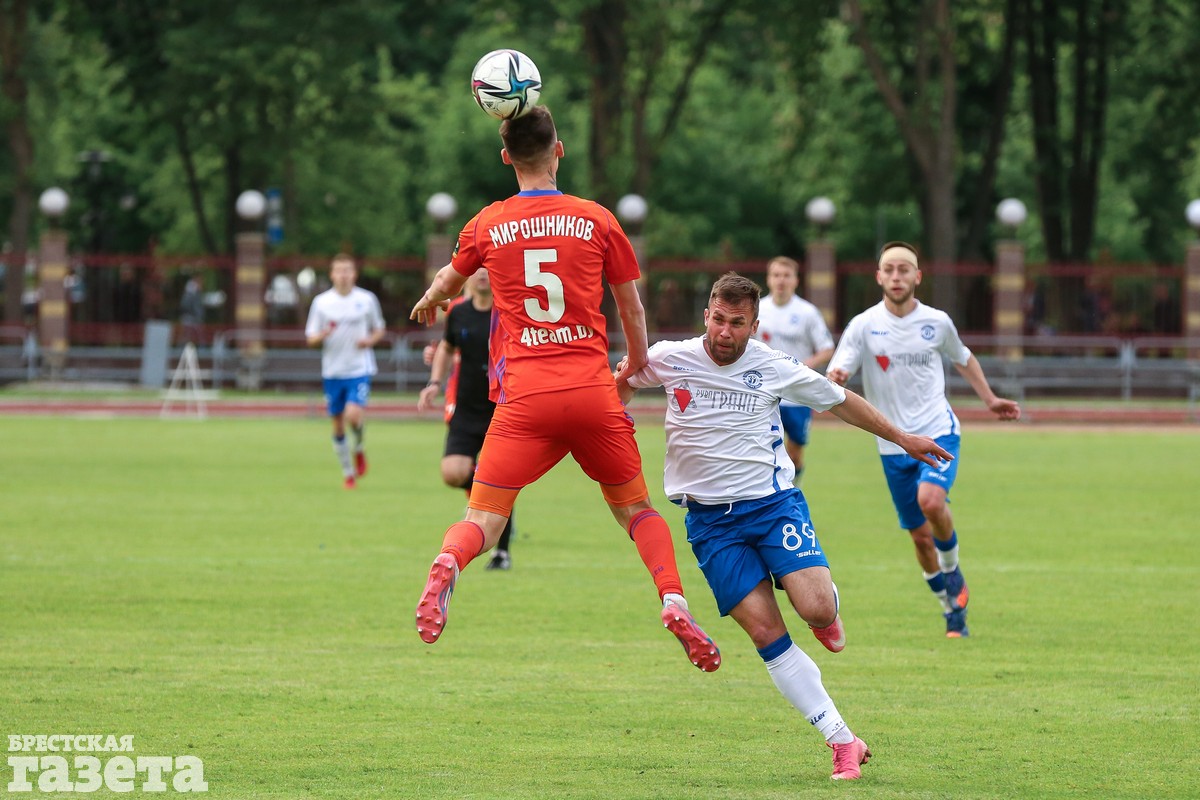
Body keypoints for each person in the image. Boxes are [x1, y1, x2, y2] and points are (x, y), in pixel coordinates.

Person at [409, 105, 720, 672]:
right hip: (592, 393)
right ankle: (673, 597)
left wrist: (431, 299)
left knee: (483, 520)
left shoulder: (487, 223)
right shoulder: (597, 219)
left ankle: (450, 561)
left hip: (525, 399)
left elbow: (449, 280)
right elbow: (631, 307)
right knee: (636, 510)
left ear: (505, 157)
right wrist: (636, 366)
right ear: (559, 150)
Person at [619, 272, 953, 781]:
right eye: (718, 319)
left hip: (773, 508)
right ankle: (842, 740)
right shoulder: (670, 358)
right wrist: (609, 398)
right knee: (766, 633)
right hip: (710, 524)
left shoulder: (773, 365)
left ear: (755, 326)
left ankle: (826, 608)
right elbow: (619, 384)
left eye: (737, 323)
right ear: (706, 315)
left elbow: (842, 401)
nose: (725, 332)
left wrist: (904, 438)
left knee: (815, 609)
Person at [826, 242, 1021, 637]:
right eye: (889, 269)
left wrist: (989, 399)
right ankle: (951, 608)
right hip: (892, 444)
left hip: (938, 430)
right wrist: (837, 377)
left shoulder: (937, 322)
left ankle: (952, 569)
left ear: (917, 276)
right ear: (878, 277)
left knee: (930, 500)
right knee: (919, 538)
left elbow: (963, 358)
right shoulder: (863, 325)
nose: (896, 276)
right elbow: (837, 371)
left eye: (904, 269)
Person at [418, 269, 515, 571]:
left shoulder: (510, 311)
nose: (482, 275)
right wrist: (434, 382)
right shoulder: (458, 312)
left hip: (502, 406)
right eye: (476, 270)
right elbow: (447, 347)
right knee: (453, 472)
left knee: (498, 479)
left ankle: (501, 552)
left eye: (488, 269)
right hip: (466, 407)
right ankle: (484, 497)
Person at [304, 253, 386, 489]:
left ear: (354, 274)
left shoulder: (366, 300)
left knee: (354, 415)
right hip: (333, 372)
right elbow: (310, 338)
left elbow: (379, 328)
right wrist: (322, 335)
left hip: (359, 368)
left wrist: (369, 340)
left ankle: (358, 448)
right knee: (338, 425)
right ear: (332, 274)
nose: (343, 275)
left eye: (347, 270)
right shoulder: (322, 302)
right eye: (339, 270)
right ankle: (348, 473)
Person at [754, 256, 835, 482]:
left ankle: (792, 486)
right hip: (765, 392)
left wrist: (802, 367)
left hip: (797, 395)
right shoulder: (758, 309)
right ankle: (771, 492)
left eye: (786, 275)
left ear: (796, 280)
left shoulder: (807, 312)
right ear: (768, 279)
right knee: (764, 450)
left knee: (795, 453)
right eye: (776, 275)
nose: (781, 280)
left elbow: (827, 349)